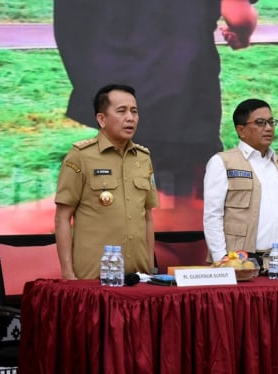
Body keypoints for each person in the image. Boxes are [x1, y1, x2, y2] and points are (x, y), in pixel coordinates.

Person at [53, 0, 258, 217]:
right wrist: (242, 35)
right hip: (178, 99)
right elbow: (239, 16)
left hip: (109, 92)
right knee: (187, 213)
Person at [55, 84, 159, 280]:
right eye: (122, 111)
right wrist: (68, 275)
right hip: (93, 276)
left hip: (138, 276)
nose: (130, 118)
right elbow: (62, 218)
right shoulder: (80, 156)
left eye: (134, 111)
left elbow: (147, 217)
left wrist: (150, 269)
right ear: (101, 119)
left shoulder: (143, 158)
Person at [203, 99, 278, 278]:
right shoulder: (222, 162)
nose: (268, 128)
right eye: (260, 123)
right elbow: (213, 216)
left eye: (271, 122)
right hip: (240, 267)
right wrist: (223, 263)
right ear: (240, 130)